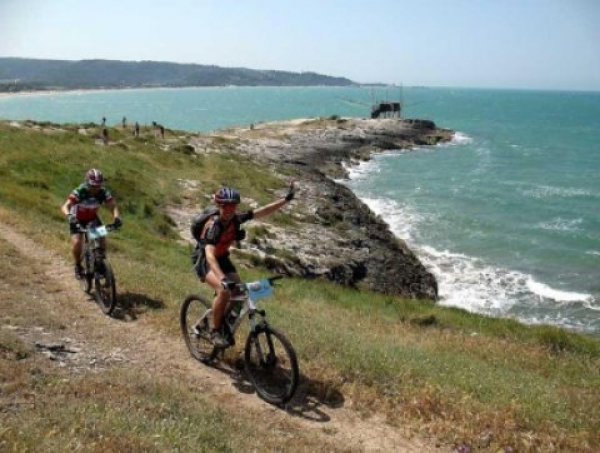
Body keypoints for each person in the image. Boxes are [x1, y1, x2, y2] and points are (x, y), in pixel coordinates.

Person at [192, 182, 296, 347]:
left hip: (222, 258)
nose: (229, 210)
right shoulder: (214, 225)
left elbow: (261, 212)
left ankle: (222, 319)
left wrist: (285, 200)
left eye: (233, 206)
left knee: (240, 291)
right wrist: (222, 279)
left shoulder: (236, 218)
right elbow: (209, 254)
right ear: (219, 205)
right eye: (225, 206)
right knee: (224, 290)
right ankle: (215, 331)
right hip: (205, 260)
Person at [60, 169, 122, 279]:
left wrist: (117, 218)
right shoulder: (79, 191)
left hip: (92, 218)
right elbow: (65, 206)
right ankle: (78, 266)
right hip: (77, 219)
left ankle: (101, 262)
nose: (96, 189)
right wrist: (70, 216)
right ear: (87, 183)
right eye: (93, 186)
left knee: (102, 235)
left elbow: (113, 206)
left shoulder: (103, 192)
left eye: (98, 186)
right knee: (77, 243)